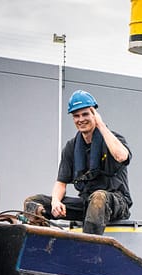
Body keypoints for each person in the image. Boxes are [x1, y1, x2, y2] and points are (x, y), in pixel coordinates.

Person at [24, 90, 132, 235]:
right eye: (76, 116)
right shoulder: (71, 147)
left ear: (94, 114)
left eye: (85, 114)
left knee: (98, 197)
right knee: (33, 202)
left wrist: (100, 125)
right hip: (86, 204)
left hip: (115, 202)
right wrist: (56, 202)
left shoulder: (112, 139)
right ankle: (43, 246)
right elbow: (61, 183)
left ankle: (88, 252)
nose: (81, 119)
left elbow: (121, 157)